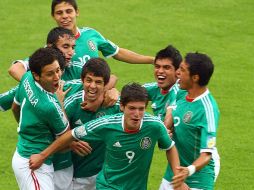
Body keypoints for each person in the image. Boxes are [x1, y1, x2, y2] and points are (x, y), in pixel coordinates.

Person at [29, 83, 186, 190]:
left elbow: (170, 147)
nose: (137, 114)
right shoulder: (106, 125)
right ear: (122, 106)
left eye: (141, 109)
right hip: (108, 186)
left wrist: (178, 177)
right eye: (131, 108)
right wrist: (42, 155)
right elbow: (71, 134)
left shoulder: (154, 126)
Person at [8, 0, 154, 82]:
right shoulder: (50, 49)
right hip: (70, 105)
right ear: (53, 16)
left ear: (77, 12)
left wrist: (153, 60)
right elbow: (17, 69)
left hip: (96, 99)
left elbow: (118, 52)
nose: (65, 16)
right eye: (59, 13)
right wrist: (36, 88)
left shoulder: (91, 35)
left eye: (69, 11)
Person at [159, 52, 220, 190]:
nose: (177, 73)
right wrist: (165, 130)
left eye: (182, 70)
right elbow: (171, 115)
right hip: (174, 171)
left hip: (197, 177)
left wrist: (188, 171)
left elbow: (207, 153)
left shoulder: (207, 110)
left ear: (195, 77)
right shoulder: (181, 91)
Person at [12, 47, 69, 190]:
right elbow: (66, 139)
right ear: (37, 75)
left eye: (58, 70)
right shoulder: (50, 106)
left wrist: (24, 127)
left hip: (23, 151)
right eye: (50, 74)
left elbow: (15, 106)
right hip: (34, 165)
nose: (57, 77)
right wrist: (60, 103)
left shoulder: (26, 78)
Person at [62, 57, 121, 190]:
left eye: (98, 82)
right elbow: (55, 132)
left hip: (104, 177)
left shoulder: (114, 104)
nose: (92, 86)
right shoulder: (72, 102)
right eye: (89, 80)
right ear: (82, 80)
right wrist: (70, 143)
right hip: (76, 175)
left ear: (105, 84)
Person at [143, 45, 182, 121]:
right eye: (157, 66)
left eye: (166, 67)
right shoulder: (154, 88)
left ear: (177, 72)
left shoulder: (178, 92)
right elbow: (127, 96)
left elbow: (168, 121)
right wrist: (113, 90)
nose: (160, 71)